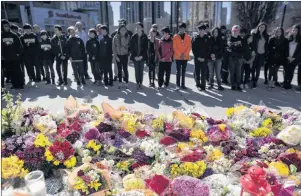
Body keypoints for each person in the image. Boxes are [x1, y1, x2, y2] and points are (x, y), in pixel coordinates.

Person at [1, 19, 24, 89]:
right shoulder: (1, 35)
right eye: (5, 26)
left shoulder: (14, 35)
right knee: (10, 72)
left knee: (18, 71)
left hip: (15, 57)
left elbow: (20, 46)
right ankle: (14, 85)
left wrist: (18, 54)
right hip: (6, 58)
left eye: (8, 26)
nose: (7, 27)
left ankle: (20, 85)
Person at [173, 22, 191, 90]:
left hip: (185, 57)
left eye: (183, 28)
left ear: (185, 29)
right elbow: (175, 47)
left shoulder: (188, 37)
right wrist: (180, 54)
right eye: (181, 28)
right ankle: (177, 85)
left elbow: (189, 46)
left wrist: (185, 54)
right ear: (179, 28)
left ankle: (183, 84)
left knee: (183, 71)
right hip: (178, 57)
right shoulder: (175, 37)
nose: (182, 30)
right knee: (178, 71)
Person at [192, 24, 210, 91]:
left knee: (203, 73)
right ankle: (198, 85)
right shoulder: (195, 38)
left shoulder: (207, 38)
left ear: (204, 30)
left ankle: (203, 85)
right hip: (197, 59)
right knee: (197, 72)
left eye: (202, 30)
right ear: (198, 30)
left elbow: (209, 49)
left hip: (204, 59)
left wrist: (204, 58)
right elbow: (193, 49)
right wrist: (198, 57)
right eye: (200, 30)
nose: (201, 31)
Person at [130, 22, 148, 90]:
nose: (137, 28)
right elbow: (131, 47)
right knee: (136, 71)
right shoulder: (133, 36)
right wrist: (134, 56)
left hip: (142, 57)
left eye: (139, 27)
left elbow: (146, 47)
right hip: (135, 57)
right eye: (136, 27)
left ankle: (141, 83)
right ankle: (137, 83)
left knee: (141, 70)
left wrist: (141, 56)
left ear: (142, 28)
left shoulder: (145, 36)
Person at [251, 22, 269, 88]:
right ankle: (253, 79)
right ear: (258, 27)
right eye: (260, 27)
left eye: (263, 27)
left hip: (262, 54)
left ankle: (255, 81)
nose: (262, 28)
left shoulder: (266, 36)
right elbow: (252, 44)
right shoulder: (254, 35)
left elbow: (266, 46)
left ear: (265, 28)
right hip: (255, 53)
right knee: (253, 68)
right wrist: (252, 51)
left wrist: (266, 55)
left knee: (258, 68)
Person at [112, 24, 131, 89]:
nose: (123, 31)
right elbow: (114, 48)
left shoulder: (128, 37)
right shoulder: (115, 37)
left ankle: (126, 82)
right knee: (119, 70)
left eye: (124, 30)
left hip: (125, 55)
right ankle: (120, 82)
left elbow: (128, 46)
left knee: (125, 69)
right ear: (119, 30)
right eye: (122, 30)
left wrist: (123, 37)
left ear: (126, 30)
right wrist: (115, 56)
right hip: (118, 55)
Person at [283, 25, 301, 90]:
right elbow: (285, 48)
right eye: (293, 30)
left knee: (291, 71)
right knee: (285, 70)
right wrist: (287, 56)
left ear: (298, 31)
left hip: (295, 59)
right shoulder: (288, 38)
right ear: (291, 30)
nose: (294, 31)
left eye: (296, 30)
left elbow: (300, 51)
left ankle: (288, 83)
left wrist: (294, 58)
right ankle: (285, 82)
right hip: (287, 57)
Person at [227, 25, 245, 91]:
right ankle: (232, 85)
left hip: (239, 58)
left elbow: (243, 48)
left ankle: (238, 85)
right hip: (232, 58)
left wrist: (235, 46)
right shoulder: (229, 38)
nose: (235, 32)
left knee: (239, 73)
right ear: (232, 31)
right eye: (234, 31)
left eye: (237, 31)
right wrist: (237, 45)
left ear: (239, 31)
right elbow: (230, 47)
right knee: (232, 72)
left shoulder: (241, 39)